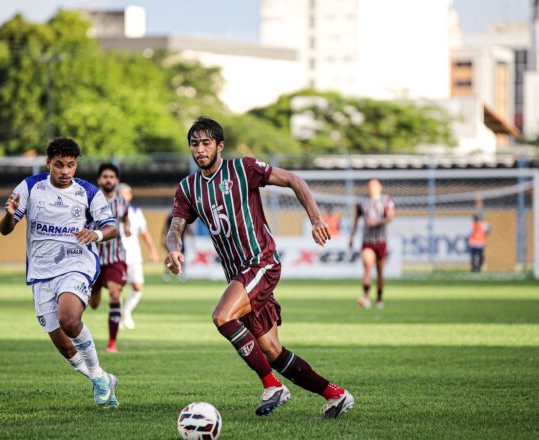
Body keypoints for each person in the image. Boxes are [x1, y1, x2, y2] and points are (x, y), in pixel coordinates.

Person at [164, 117, 354, 419]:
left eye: (206, 143)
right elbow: (175, 227)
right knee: (271, 351)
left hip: (260, 262)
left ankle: (272, 386)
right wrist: (174, 249)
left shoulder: (243, 169)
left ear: (220, 146)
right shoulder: (188, 188)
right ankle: (335, 395)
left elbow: (294, 180)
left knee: (222, 316)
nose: (199, 149)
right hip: (238, 275)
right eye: (194, 144)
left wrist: (317, 219)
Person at [0, 136, 119, 408]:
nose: (65, 171)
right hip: (41, 272)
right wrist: (10, 215)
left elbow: (112, 227)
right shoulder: (30, 188)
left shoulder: (87, 192)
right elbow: (5, 229)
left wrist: (96, 233)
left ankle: (99, 382)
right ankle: (101, 377)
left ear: (76, 165)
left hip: (76, 263)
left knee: (69, 318)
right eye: (59, 165)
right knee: (65, 346)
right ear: (48, 164)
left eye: (71, 165)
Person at [88, 163, 130, 353]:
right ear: (99, 180)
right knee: (94, 304)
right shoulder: (90, 201)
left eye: (111, 177)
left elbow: (126, 218)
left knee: (115, 294)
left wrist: (127, 227)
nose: (108, 180)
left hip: (116, 257)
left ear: (117, 181)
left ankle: (112, 342)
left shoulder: (122, 202)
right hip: (93, 259)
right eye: (105, 176)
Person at [117, 183, 160, 330]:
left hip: (134, 256)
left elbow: (144, 232)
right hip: (117, 256)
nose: (122, 197)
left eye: (125, 194)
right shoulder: (109, 212)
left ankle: (126, 312)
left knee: (138, 287)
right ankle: (117, 319)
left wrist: (153, 250)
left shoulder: (136, 211)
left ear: (130, 196)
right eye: (119, 194)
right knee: (117, 289)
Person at [349, 179, 394, 310]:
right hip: (367, 241)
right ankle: (366, 296)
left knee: (380, 272)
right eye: (369, 186)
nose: (371, 188)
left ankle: (379, 298)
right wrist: (351, 237)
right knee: (368, 265)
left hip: (381, 241)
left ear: (380, 187)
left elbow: (390, 217)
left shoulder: (386, 200)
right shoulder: (362, 202)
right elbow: (356, 220)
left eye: (374, 186)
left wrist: (378, 221)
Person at [161, 212, 188, 283]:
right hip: (172, 241)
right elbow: (165, 228)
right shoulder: (170, 216)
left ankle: (182, 275)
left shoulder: (184, 216)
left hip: (182, 241)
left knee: (182, 258)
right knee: (170, 258)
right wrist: (163, 238)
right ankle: (166, 275)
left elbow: (186, 229)